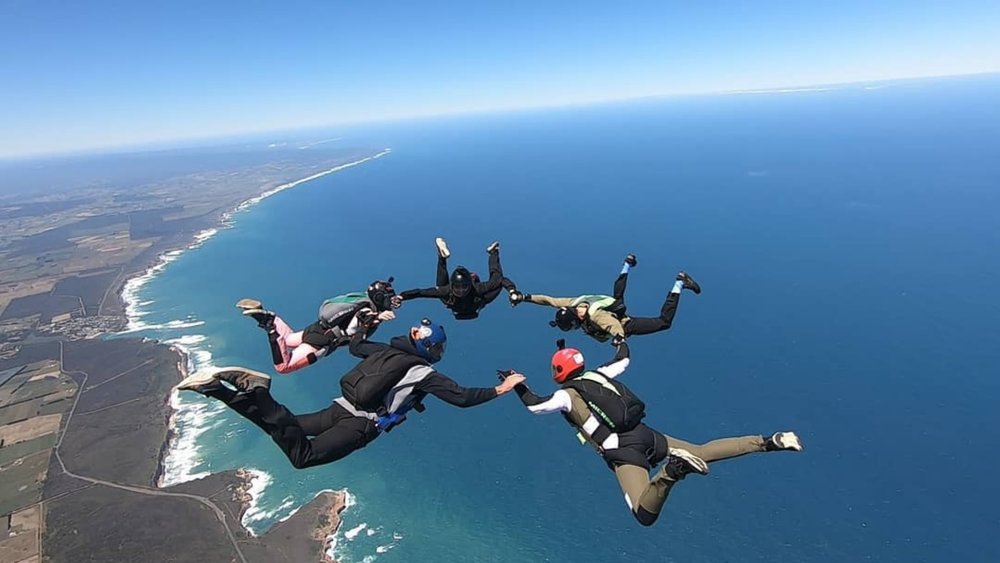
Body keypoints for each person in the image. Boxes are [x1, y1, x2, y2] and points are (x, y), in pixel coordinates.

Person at [505, 342, 802, 526]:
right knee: (701, 450)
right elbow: (623, 357)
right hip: (647, 434)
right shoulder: (600, 374)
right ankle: (769, 442)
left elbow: (535, 406)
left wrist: (516, 384)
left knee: (643, 514)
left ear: (559, 371)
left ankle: (672, 472)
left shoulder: (567, 394)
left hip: (623, 451)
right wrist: (619, 337)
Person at [175, 319, 526, 469]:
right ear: (433, 350)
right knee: (303, 457)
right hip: (360, 424)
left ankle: (216, 389)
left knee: (281, 426)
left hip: (338, 408)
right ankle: (259, 391)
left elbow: (355, 346)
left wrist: (369, 320)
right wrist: (503, 388)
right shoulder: (422, 372)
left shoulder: (386, 350)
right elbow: (462, 398)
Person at [509, 254, 700, 344]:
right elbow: (549, 300)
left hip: (624, 323)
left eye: (575, 326)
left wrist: (619, 339)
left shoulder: (595, 317)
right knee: (617, 296)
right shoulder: (572, 304)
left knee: (664, 322)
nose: (577, 329)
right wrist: (524, 297)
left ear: (576, 319)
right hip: (612, 305)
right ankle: (627, 264)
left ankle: (679, 284)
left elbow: (612, 325)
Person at [235, 278, 402, 374]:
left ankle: (265, 315)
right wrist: (378, 317)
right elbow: (357, 324)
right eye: (387, 299)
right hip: (321, 343)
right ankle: (271, 327)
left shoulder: (361, 299)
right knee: (283, 367)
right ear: (379, 299)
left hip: (317, 329)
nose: (390, 303)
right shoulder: (367, 311)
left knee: (288, 339)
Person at [398, 237, 518, 320]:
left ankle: (493, 252)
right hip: (473, 302)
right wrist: (402, 296)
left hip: (477, 301)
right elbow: (420, 292)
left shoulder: (478, 289)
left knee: (497, 277)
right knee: (441, 288)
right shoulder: (447, 290)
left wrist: (512, 290)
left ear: (470, 285)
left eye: (464, 287)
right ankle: (442, 256)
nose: (461, 291)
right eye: (458, 288)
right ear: (452, 285)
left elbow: (501, 280)